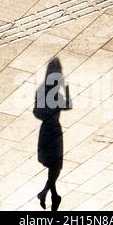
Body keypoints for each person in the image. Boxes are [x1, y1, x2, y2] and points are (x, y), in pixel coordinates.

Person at [33, 58, 71, 211]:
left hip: (49, 130)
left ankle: (47, 193)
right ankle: (49, 193)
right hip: (53, 130)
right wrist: (66, 93)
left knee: (55, 165)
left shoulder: (44, 92)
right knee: (56, 165)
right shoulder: (53, 94)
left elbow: (36, 111)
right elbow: (67, 106)